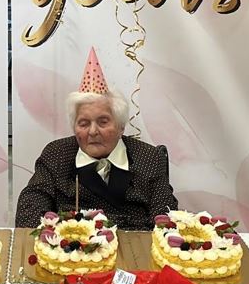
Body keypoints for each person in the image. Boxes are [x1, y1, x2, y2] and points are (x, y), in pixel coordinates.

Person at [15, 48, 178, 230]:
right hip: (72, 244)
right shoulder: (57, 154)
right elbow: (29, 209)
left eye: (103, 122)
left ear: (121, 126)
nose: (93, 131)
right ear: (74, 127)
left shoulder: (149, 157)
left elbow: (166, 217)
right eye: (84, 123)